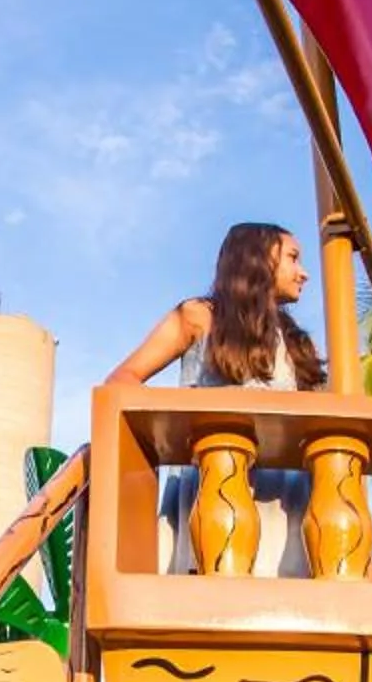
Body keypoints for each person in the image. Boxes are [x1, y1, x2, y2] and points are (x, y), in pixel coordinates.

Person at [108, 220, 322, 575]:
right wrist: (169, 428)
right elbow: (122, 380)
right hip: (212, 487)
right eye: (294, 258)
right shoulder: (198, 317)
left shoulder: (299, 344)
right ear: (260, 258)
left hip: (281, 497)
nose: (304, 273)